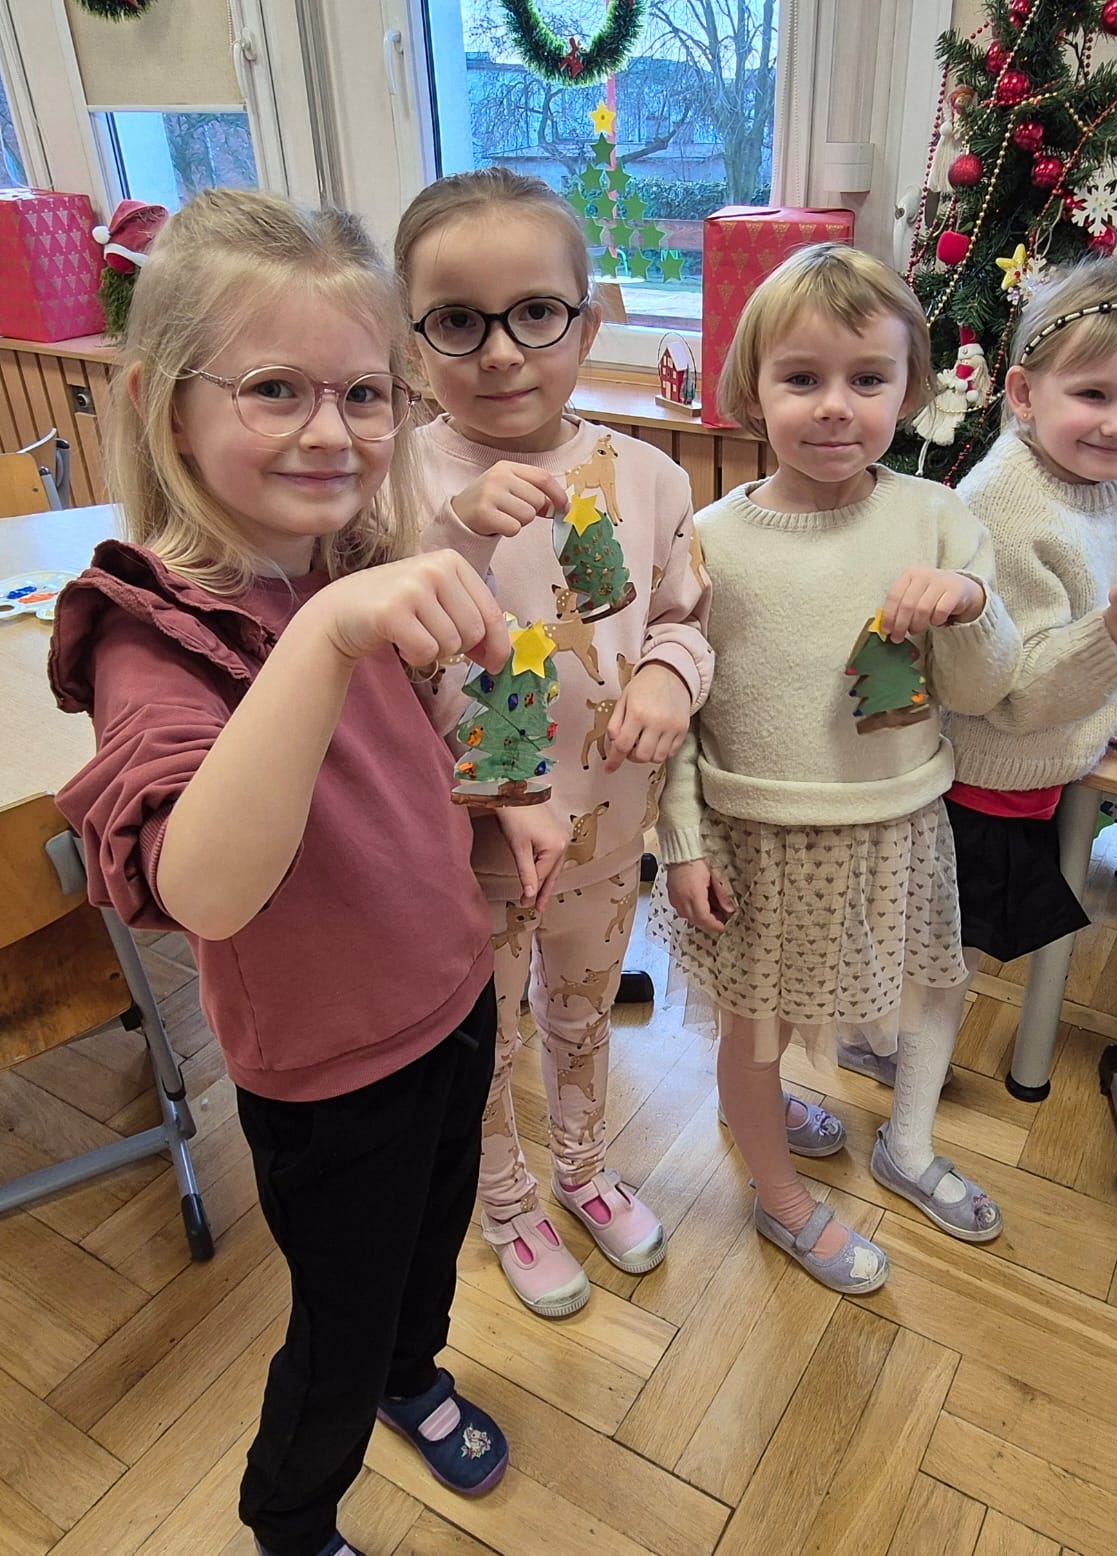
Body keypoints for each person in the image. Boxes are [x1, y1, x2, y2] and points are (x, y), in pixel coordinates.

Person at [49, 190, 527, 1556]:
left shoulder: (346, 558)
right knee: (337, 1321)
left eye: (364, 393)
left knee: (426, 1255)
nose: (332, 431)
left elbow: (395, 762)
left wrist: (500, 814)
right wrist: (324, 636)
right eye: (274, 389)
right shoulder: (153, 633)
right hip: (328, 1077)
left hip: (450, 1002)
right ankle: (292, 1513)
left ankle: (411, 1375)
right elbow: (202, 888)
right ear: (165, 407)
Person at [654, 243, 1020, 1291]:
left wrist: (971, 604)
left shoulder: (938, 518)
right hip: (757, 840)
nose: (833, 406)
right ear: (752, 389)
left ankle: (892, 1139)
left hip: (899, 824)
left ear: (909, 389)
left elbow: (984, 688)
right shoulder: (708, 540)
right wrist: (681, 843)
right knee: (755, 1031)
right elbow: (673, 707)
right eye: (801, 377)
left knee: (917, 986)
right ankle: (778, 1197)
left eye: (866, 378)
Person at [395, 168, 713, 1319]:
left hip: (606, 825)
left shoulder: (650, 477)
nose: (500, 353)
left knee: (580, 1009)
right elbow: (375, 671)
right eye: (457, 321)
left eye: (535, 313)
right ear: (412, 337)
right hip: (460, 847)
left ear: (586, 320)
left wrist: (671, 675)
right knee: (480, 1032)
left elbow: (685, 616)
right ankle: (504, 1195)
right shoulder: (389, 482)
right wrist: (448, 539)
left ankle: (580, 1163)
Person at [850, 260, 1117, 1053]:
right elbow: (1012, 693)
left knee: (949, 951)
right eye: (1093, 394)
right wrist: (1114, 635)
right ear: (1026, 395)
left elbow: (1082, 624)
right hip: (984, 774)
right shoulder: (1002, 505)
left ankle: (890, 1040)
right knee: (940, 952)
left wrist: (1105, 705)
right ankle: (873, 1044)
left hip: (1054, 750)